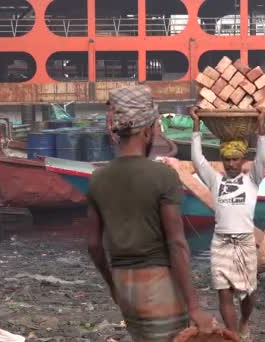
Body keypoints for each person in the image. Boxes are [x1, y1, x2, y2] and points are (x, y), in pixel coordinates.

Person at [87, 86, 214, 341]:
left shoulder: (97, 178)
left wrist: (112, 285)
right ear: (147, 131)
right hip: (158, 287)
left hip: (124, 286)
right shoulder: (163, 175)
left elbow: (94, 245)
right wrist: (194, 307)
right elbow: (177, 244)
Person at [189, 105, 265, 341]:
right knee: (224, 295)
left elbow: (263, 156)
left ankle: (244, 322)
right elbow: (198, 160)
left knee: (249, 294)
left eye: (235, 159)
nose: (231, 164)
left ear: (243, 158)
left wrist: (262, 123)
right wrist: (196, 124)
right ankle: (234, 336)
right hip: (221, 243)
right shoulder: (215, 181)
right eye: (227, 160)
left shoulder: (252, 180)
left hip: (244, 242)